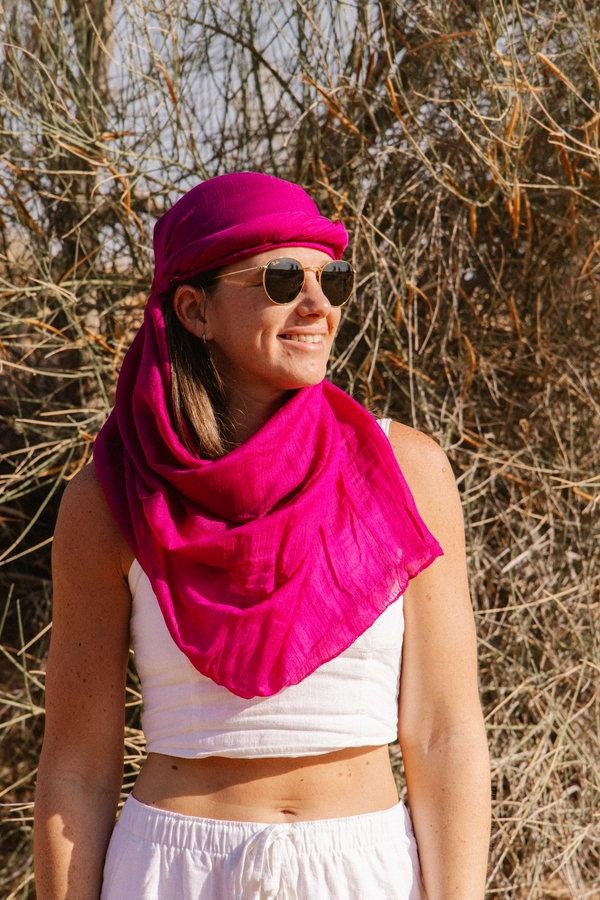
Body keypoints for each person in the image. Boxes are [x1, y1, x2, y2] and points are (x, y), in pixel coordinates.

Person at [34, 172, 490, 900]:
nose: (317, 306)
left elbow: (444, 734)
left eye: (330, 279)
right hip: (169, 871)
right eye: (282, 278)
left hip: (363, 870)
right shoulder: (111, 498)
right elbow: (76, 768)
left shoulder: (408, 470)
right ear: (194, 309)